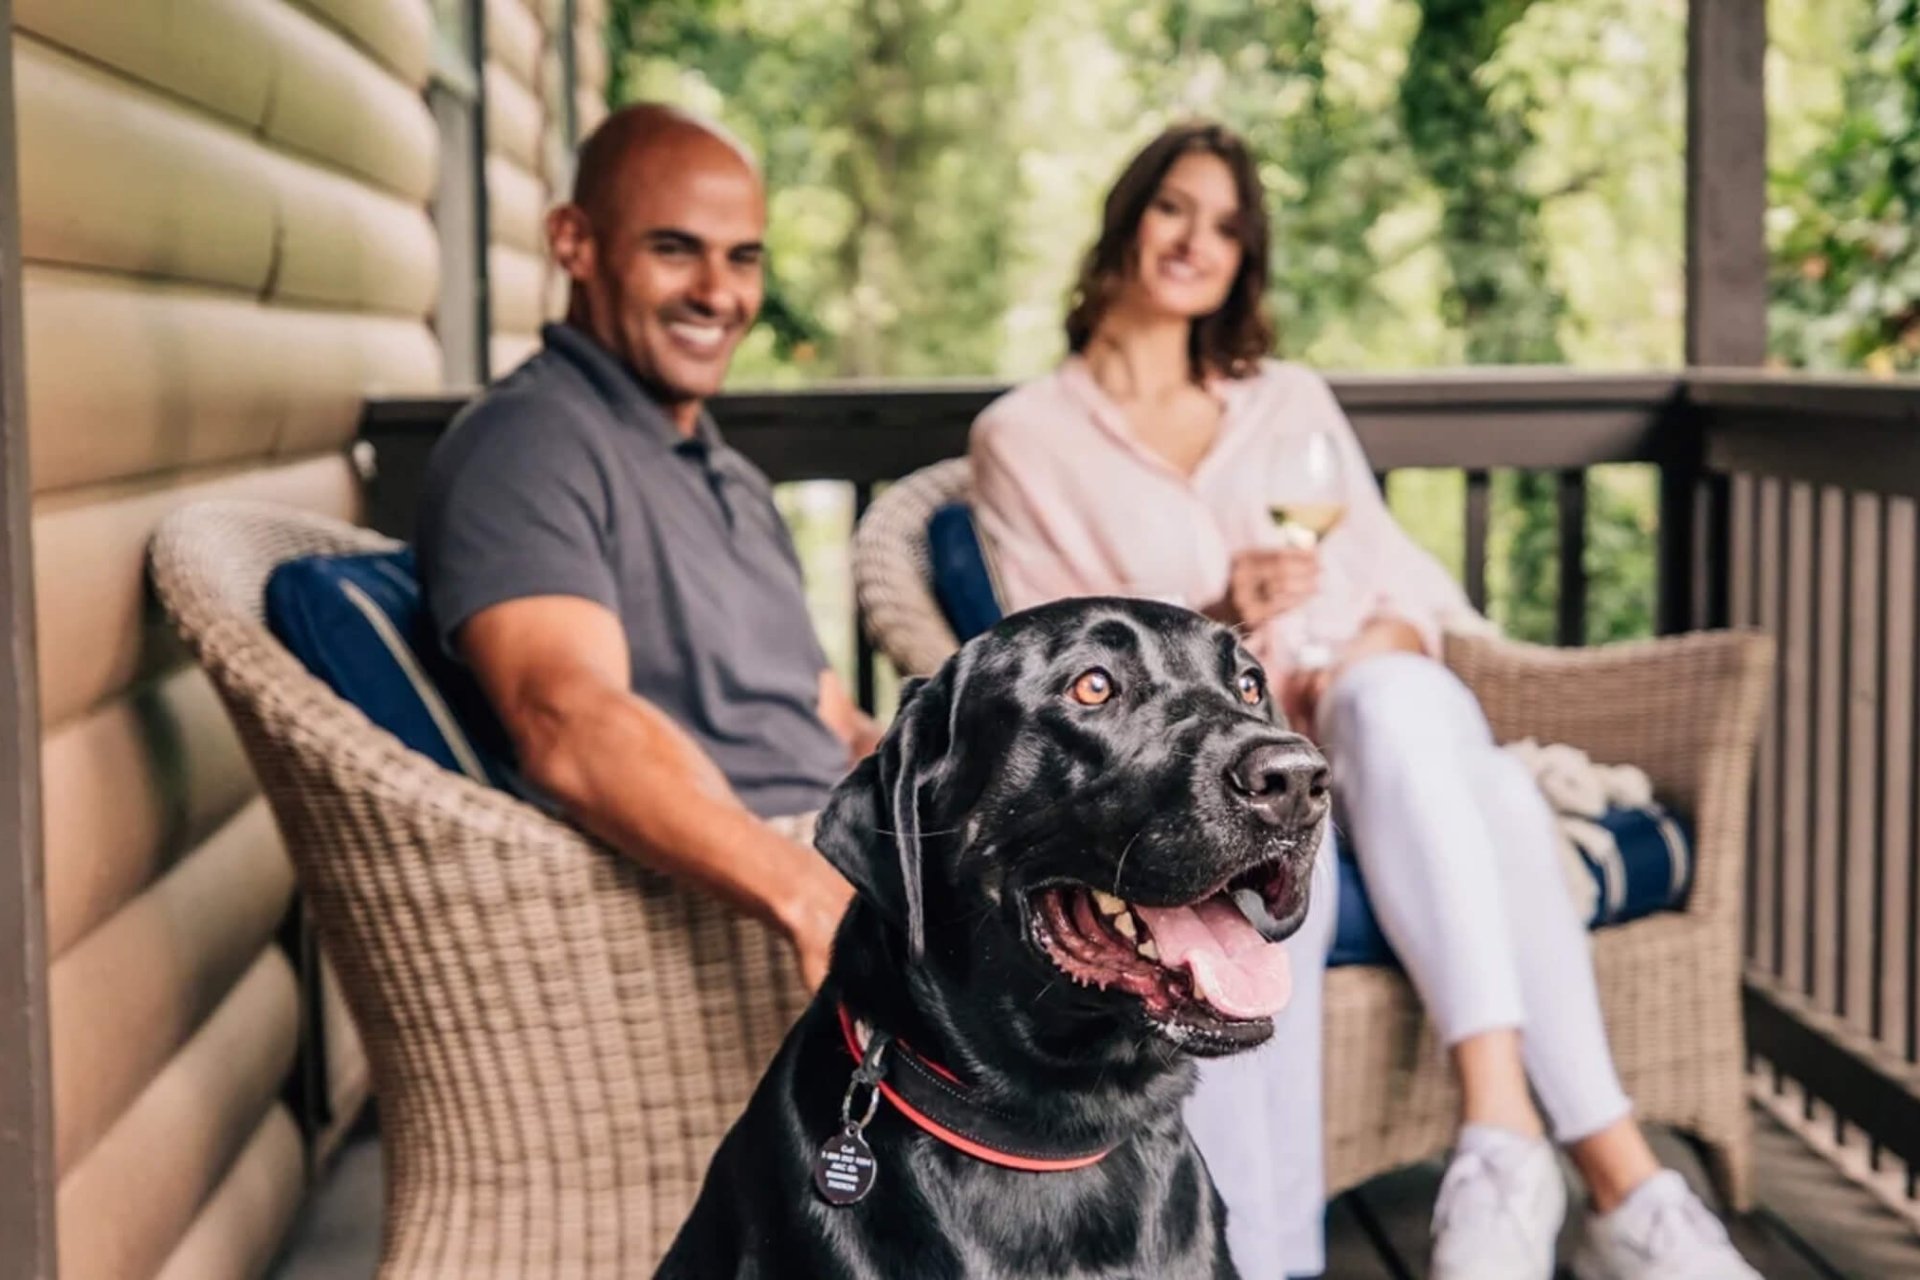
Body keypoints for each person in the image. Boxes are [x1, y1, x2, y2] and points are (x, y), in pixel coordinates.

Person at [968, 120, 1759, 1280]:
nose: (1198, 240)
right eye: (1176, 208)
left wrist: (1358, 658)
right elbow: (1062, 677)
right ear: (1128, 218)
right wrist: (1214, 611)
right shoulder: (1023, 439)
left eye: (1228, 227)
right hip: (1215, 777)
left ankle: (1500, 1136)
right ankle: (1615, 1178)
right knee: (1475, 778)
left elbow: (1409, 598)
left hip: (1361, 724)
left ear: (1247, 259)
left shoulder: (1286, 401)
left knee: (1393, 696)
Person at [416, 103, 879, 993]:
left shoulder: (728, 475)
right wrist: (809, 896)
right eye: (675, 250)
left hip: (854, 864)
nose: (718, 293)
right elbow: (567, 722)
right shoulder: (528, 447)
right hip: (735, 925)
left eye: (742, 257)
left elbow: (830, 717)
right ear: (575, 244)